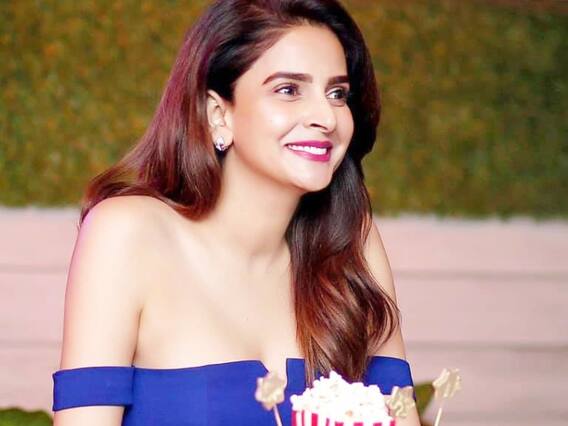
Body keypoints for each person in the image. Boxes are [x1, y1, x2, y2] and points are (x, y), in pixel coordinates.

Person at [52, 0, 420, 425]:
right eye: (289, 90)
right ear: (218, 114)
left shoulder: (352, 241)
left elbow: (400, 417)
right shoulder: (126, 232)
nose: (326, 117)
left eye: (337, 94)